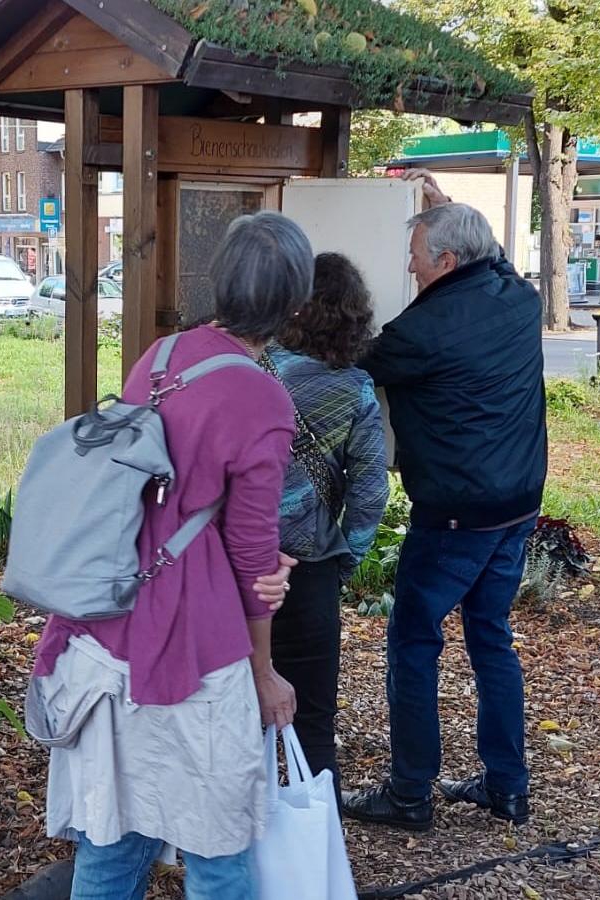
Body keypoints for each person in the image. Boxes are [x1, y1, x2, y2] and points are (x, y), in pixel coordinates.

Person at [27, 211, 310, 900]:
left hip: (110, 612)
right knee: (217, 848)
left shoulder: (160, 356)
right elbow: (250, 554)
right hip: (194, 640)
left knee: (116, 836)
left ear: (219, 282)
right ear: (293, 305)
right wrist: (265, 672)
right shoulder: (264, 399)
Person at [341, 171, 547, 832]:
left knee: (412, 639)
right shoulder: (519, 298)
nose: (409, 266)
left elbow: (356, 359)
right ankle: (507, 787)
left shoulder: (420, 334)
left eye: (418, 255)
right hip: (517, 504)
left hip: (456, 513)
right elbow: (500, 258)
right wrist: (443, 208)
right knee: (491, 638)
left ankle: (409, 795)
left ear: (448, 261)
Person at [263, 252, 390, 797]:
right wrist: (348, 557)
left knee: (234, 710)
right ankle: (318, 857)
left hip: (238, 564)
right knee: (312, 717)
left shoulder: (255, 367)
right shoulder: (356, 389)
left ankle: (229, 852)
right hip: (310, 568)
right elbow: (369, 491)